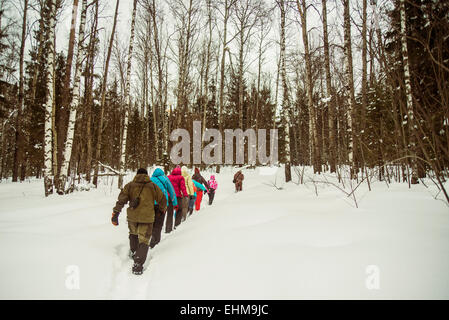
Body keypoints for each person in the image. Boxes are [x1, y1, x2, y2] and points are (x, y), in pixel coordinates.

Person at [111, 168, 166, 275]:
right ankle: (138, 264)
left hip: (132, 217)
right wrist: (161, 210)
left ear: (136, 174)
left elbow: (121, 200)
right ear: (147, 175)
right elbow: (163, 199)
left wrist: (116, 213)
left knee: (133, 234)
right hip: (147, 218)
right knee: (144, 240)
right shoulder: (153, 186)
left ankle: (134, 252)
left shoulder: (130, 185)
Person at [149, 168, 177, 248]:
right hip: (162, 205)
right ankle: (156, 242)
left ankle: (151, 239)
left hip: (151, 204)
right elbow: (171, 191)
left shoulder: (151, 179)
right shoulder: (165, 178)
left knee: (152, 222)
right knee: (159, 223)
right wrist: (174, 203)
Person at [167, 166, 188, 231]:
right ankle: (177, 225)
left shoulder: (168, 177)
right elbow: (183, 187)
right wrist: (185, 195)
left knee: (169, 213)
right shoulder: (180, 177)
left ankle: (168, 229)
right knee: (179, 210)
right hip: (177, 196)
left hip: (169, 196)